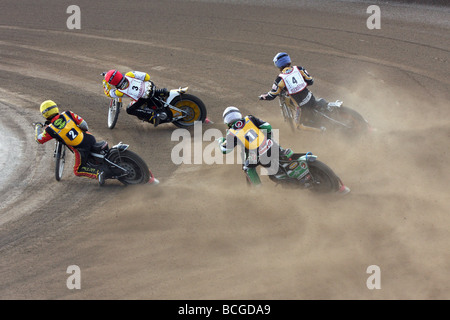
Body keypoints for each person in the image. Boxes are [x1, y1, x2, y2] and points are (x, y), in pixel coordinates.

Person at [217, 106, 295, 187]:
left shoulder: (231, 132)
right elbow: (268, 127)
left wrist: (220, 141)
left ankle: (258, 190)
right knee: (270, 138)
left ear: (227, 121)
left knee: (247, 167)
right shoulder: (249, 118)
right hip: (270, 145)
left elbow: (225, 150)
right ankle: (284, 155)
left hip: (256, 154)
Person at [34, 100, 105, 185]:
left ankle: (98, 173)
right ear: (55, 108)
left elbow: (39, 139)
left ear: (45, 114)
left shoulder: (50, 129)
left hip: (80, 148)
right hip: (89, 138)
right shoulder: (67, 113)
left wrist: (38, 127)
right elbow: (84, 125)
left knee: (77, 170)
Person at [259, 52, 328, 132]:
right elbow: (310, 81)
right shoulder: (299, 69)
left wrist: (262, 96)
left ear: (278, 65)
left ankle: (322, 130)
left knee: (298, 126)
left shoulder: (280, 79)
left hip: (302, 106)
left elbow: (271, 95)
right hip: (311, 98)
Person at [102, 69, 169, 127]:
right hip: (151, 86)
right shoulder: (130, 74)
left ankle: (152, 115)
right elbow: (147, 77)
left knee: (129, 110)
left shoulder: (119, 92)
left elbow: (108, 93)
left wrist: (105, 82)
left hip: (145, 98)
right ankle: (161, 93)